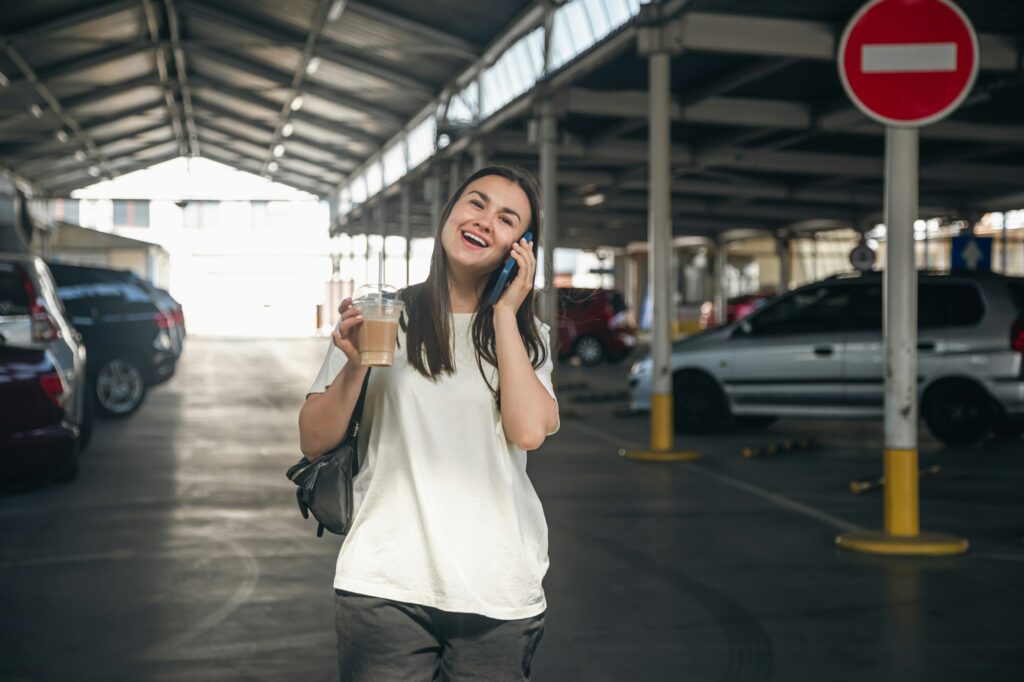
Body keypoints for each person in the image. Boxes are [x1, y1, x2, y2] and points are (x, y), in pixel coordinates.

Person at [298, 164, 560, 681]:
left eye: (507, 219)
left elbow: (529, 432)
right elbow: (313, 441)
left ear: (520, 248)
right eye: (476, 203)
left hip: (497, 586)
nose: (485, 221)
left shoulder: (528, 336)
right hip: (384, 579)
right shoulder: (384, 316)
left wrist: (506, 314)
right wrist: (354, 363)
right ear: (450, 213)